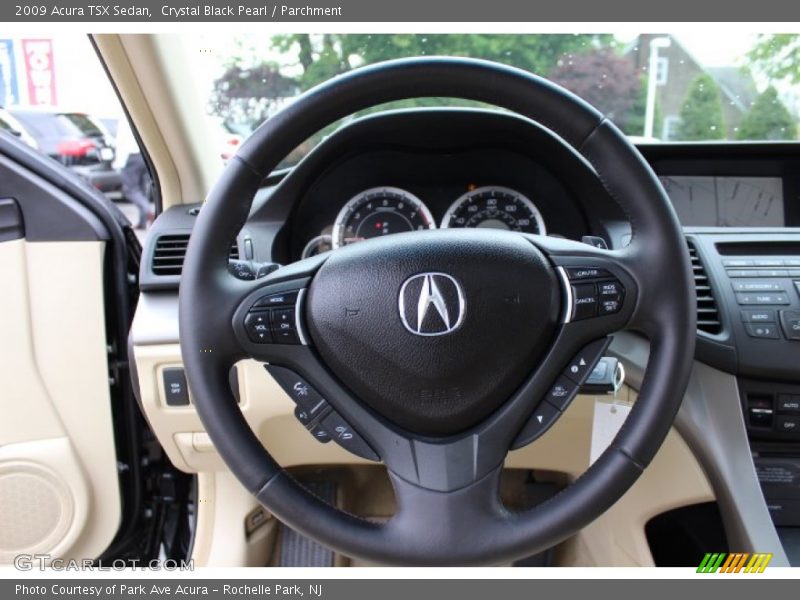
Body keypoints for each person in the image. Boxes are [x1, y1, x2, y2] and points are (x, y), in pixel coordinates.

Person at [113, 118, 152, 229]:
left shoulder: (125, 119)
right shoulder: (140, 118)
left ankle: (147, 210)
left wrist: (118, 161)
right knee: (142, 189)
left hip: (130, 156)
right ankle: (142, 222)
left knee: (130, 190)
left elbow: (121, 141)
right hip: (143, 156)